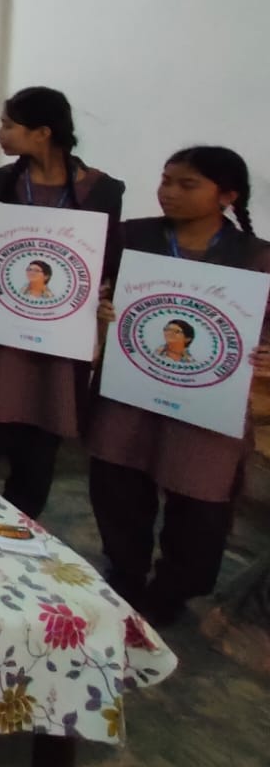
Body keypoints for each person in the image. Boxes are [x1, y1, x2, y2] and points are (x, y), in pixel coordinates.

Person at [86, 146, 270, 626]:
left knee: (200, 501)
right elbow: (97, 287)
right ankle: (124, 572)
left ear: (227, 196)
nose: (169, 192)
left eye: (187, 184)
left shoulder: (256, 257)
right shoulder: (132, 236)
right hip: (132, 385)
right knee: (118, 485)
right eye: (166, 180)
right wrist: (102, 307)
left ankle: (173, 590)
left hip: (208, 399)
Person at [0, 86, 125, 519]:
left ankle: (22, 530)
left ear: (43, 132)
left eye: (8, 125)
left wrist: (103, 313)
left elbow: (106, 263)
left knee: (38, 449)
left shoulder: (101, 192)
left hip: (61, 338)